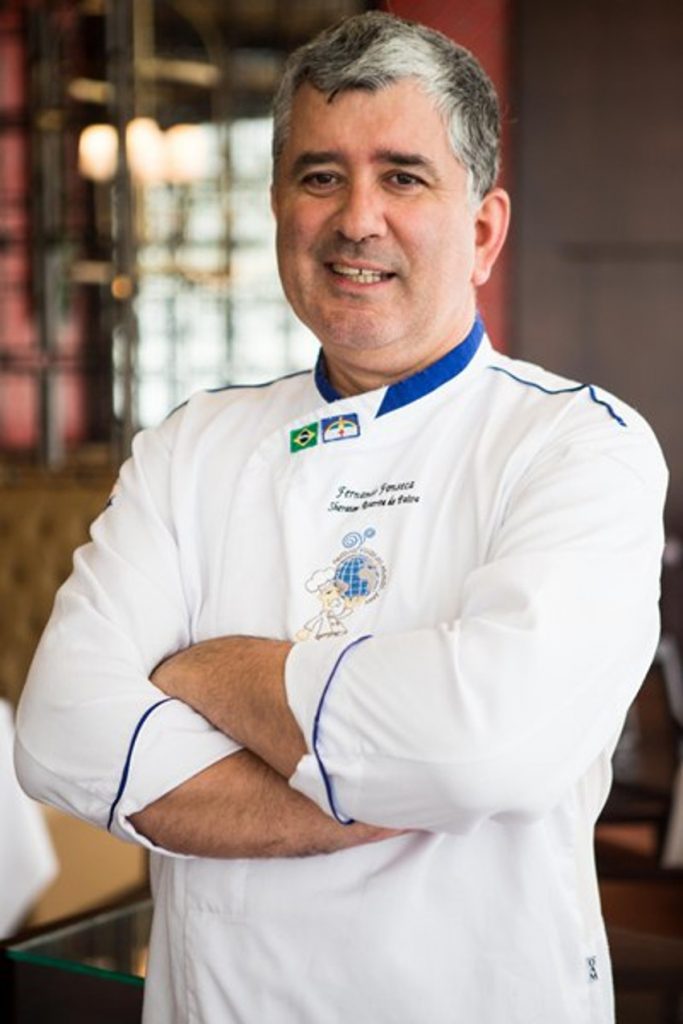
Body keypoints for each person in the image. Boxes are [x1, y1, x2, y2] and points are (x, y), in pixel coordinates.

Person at [15, 11, 667, 1024]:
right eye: (320, 176)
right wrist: (396, 785)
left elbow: (478, 749)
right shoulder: (193, 444)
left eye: (402, 177)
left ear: (482, 231)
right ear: (279, 207)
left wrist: (209, 671)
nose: (356, 218)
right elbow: (59, 732)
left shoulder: (579, 445)